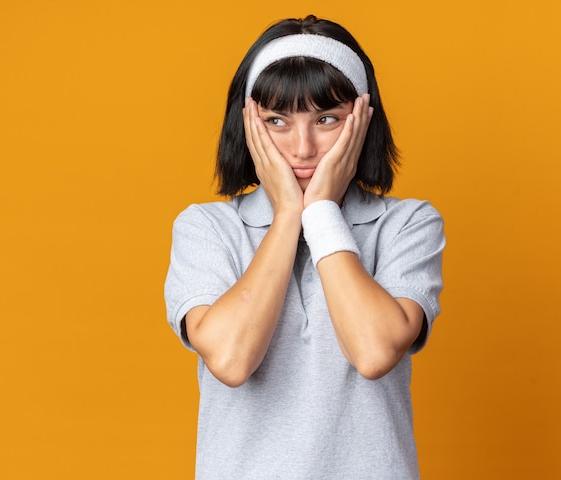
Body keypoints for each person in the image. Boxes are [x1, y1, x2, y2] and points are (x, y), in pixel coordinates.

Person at [165, 14, 445, 480]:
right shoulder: (206, 228)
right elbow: (232, 361)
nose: (302, 148)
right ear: (249, 126)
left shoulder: (406, 224)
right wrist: (286, 216)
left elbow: (374, 353)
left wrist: (320, 213)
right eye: (276, 120)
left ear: (361, 122)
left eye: (327, 119)